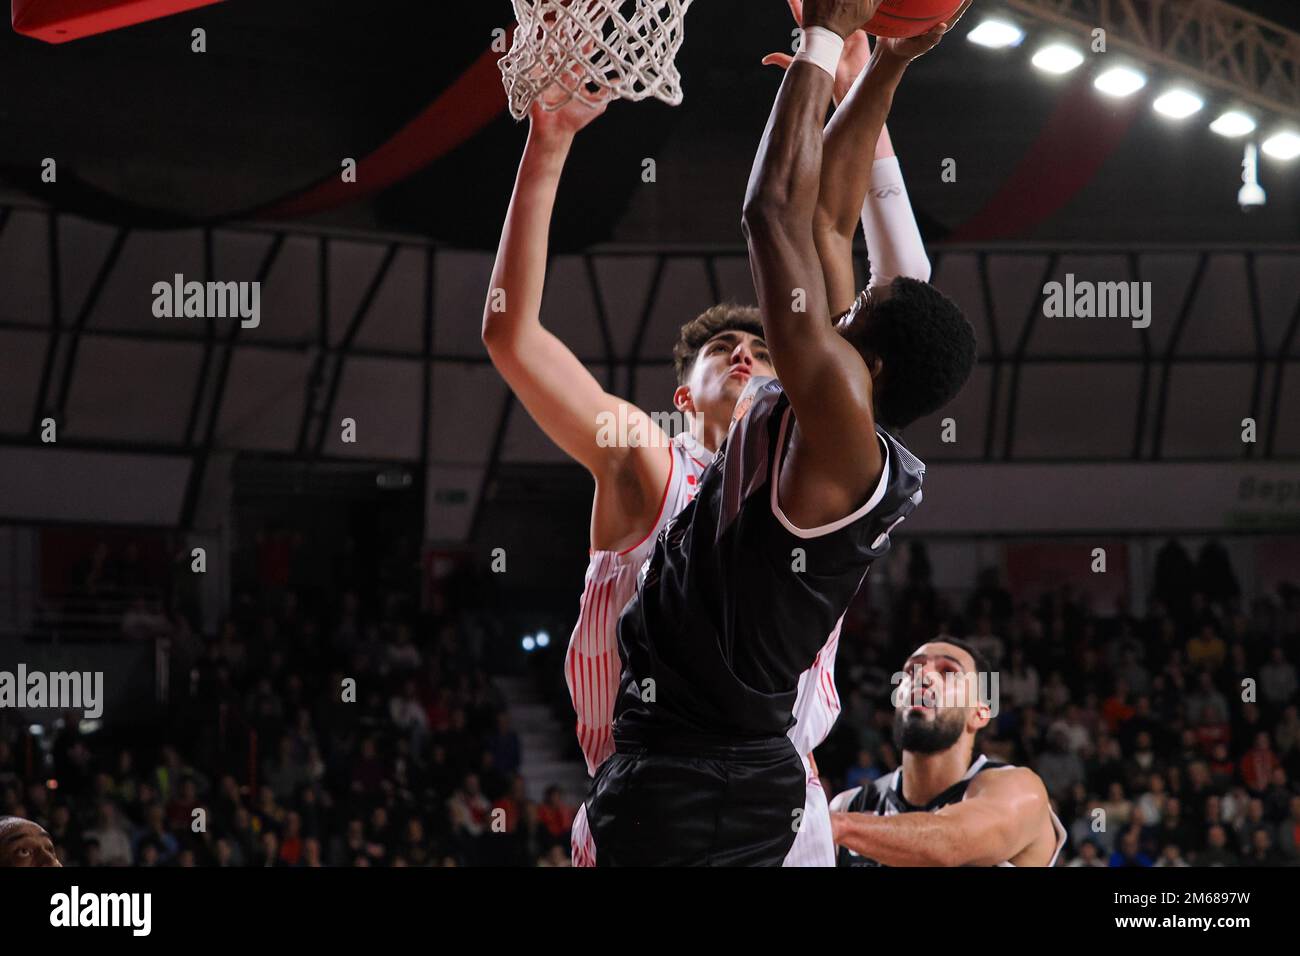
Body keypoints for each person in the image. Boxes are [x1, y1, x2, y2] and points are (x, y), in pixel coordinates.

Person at [482, 1, 940, 866]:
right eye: (720, 350)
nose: (741, 355)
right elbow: (513, 337)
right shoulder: (651, 463)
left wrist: (864, 96)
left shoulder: (814, 455)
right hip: (651, 789)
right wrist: (547, 148)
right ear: (681, 400)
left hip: (785, 787)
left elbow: (871, 271)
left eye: (761, 349)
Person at [829, 640, 1064, 866]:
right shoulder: (848, 805)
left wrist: (839, 827)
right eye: (912, 670)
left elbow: (949, 844)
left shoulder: (1021, 791)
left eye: (948, 671)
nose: (923, 676)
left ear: (979, 713)